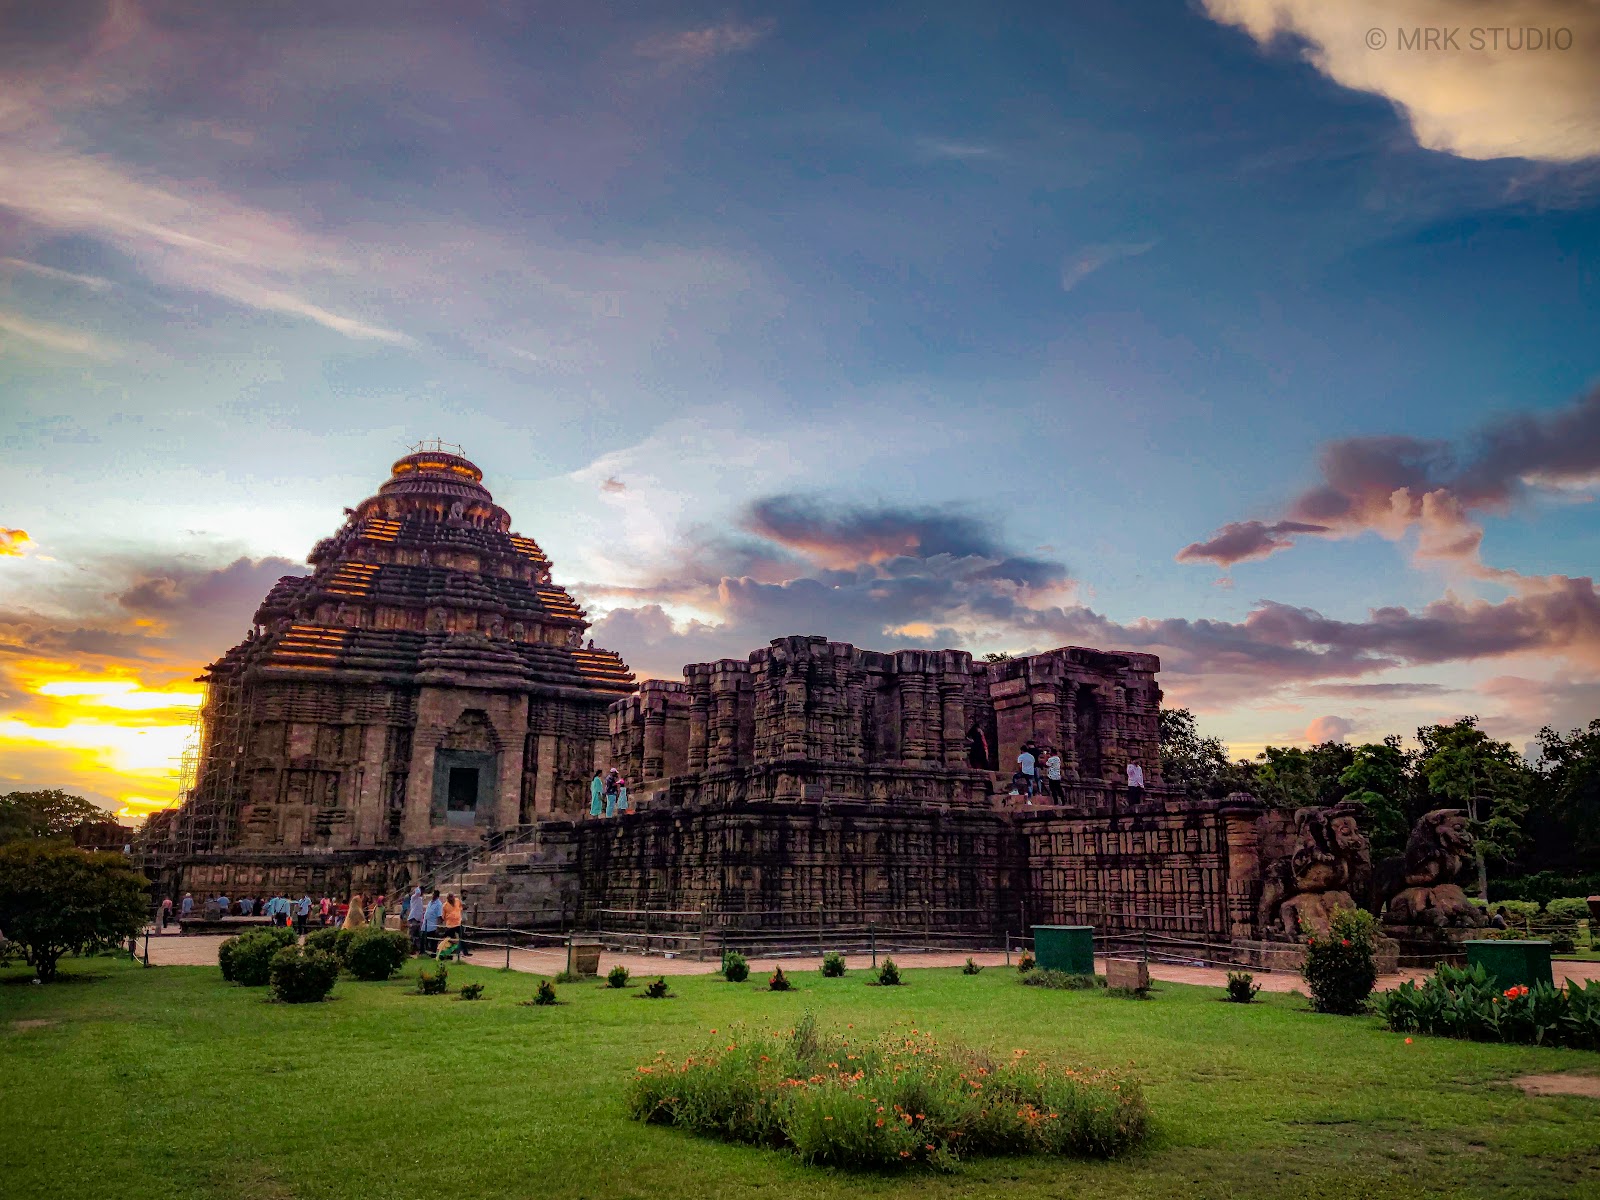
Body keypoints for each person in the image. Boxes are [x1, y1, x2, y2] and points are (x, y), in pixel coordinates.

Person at [442, 892, 465, 957]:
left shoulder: (457, 901)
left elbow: (460, 907)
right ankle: (450, 953)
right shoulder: (445, 905)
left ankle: (464, 952)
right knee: (449, 939)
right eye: (449, 898)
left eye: (452, 897)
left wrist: (459, 914)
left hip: (458, 923)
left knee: (462, 937)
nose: (451, 899)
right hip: (450, 925)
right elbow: (443, 916)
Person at [407, 886, 426, 953]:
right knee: (411, 935)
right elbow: (418, 892)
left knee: (418, 936)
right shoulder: (414, 897)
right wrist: (418, 887)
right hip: (413, 918)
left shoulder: (420, 899)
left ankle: (417, 950)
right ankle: (409, 949)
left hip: (418, 920)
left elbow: (420, 910)